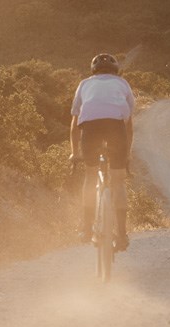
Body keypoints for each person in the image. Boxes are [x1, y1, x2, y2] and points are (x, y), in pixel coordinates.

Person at [69, 53, 135, 251]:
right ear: (116, 71)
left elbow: (74, 124)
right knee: (118, 181)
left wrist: (74, 153)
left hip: (90, 129)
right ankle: (122, 235)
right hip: (116, 128)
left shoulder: (84, 84)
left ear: (93, 71)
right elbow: (128, 124)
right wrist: (127, 154)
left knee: (90, 176)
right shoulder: (122, 84)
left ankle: (87, 228)